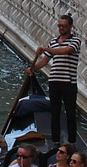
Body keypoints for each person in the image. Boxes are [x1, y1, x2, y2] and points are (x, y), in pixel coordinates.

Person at [31, 13, 81, 145]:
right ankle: (56, 141)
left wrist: (45, 49)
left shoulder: (75, 41)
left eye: (63, 26)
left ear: (70, 26)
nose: (61, 28)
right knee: (55, 112)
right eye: (59, 25)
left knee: (70, 113)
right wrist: (32, 67)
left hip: (69, 82)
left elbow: (65, 51)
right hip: (54, 81)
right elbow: (44, 61)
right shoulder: (53, 42)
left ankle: (71, 142)